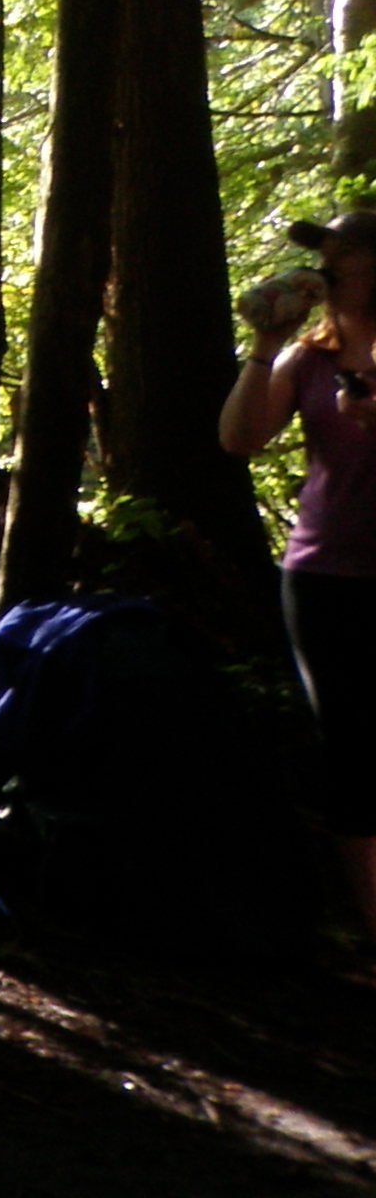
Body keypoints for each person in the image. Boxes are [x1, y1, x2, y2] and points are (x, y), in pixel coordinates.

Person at [220, 208, 376, 933]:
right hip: (324, 581)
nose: (329, 262)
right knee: (352, 752)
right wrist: (265, 343)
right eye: (324, 250)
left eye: (343, 250)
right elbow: (239, 438)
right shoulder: (308, 356)